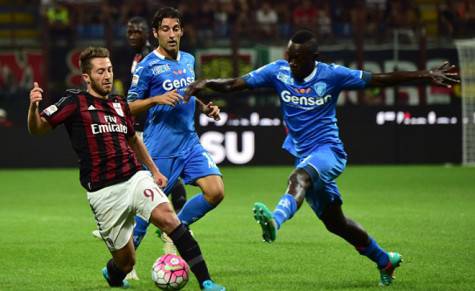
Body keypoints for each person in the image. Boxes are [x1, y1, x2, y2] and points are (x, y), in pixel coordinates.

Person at [184, 30, 459, 286]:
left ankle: (274, 221)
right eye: (288, 56)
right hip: (305, 155)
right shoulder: (278, 72)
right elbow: (235, 84)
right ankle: (385, 261)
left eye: (297, 58)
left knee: (299, 177)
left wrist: (426, 74)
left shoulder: (332, 75)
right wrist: (206, 82)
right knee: (336, 223)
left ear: (313, 59)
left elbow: (380, 78)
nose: (290, 62)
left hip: (329, 152)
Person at [27, 46, 225, 291]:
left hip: (135, 179)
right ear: (87, 77)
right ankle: (113, 275)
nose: (107, 75)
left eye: (109, 70)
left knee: (169, 219)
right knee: (126, 261)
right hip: (103, 192)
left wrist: (154, 171)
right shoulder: (74, 102)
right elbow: (38, 128)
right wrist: (34, 108)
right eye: (100, 71)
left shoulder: (119, 104)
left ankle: (206, 282)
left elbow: (134, 140)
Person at [126, 7, 224, 257]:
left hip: (190, 142)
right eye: (166, 29)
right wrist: (155, 99)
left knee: (215, 191)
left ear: (182, 31)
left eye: (176, 29)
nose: (172, 34)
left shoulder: (189, 59)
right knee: (145, 217)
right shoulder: (147, 66)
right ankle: (117, 269)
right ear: (156, 33)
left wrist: (205, 107)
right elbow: (129, 106)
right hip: (161, 148)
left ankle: (176, 226)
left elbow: (188, 92)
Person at [91, 17, 189, 254]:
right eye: (130, 31)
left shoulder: (151, 59)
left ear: (150, 33)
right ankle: (172, 227)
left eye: (138, 31)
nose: (133, 35)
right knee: (153, 183)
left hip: (149, 131)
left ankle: (153, 230)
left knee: (150, 183)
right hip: (137, 129)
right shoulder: (136, 58)